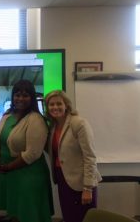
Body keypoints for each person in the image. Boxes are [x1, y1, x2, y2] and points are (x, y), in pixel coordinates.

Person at [0, 80, 54, 222]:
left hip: (29, 175)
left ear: (32, 98)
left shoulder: (36, 119)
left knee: (29, 214)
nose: (20, 99)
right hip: (10, 174)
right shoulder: (7, 115)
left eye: (25, 95)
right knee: (15, 213)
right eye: (17, 95)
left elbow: (32, 154)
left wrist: (7, 167)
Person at [44, 90, 102, 222]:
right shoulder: (53, 126)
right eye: (51, 104)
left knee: (84, 218)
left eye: (59, 103)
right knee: (69, 216)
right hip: (62, 178)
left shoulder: (78, 123)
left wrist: (88, 188)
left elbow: (90, 157)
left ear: (66, 105)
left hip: (81, 181)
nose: (55, 107)